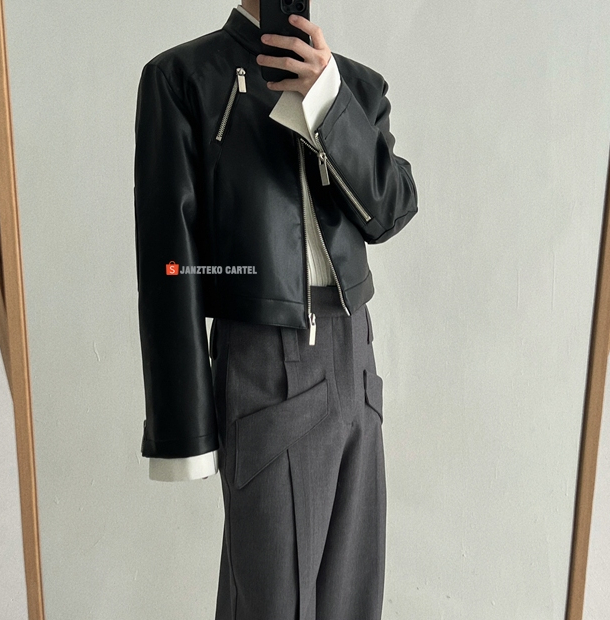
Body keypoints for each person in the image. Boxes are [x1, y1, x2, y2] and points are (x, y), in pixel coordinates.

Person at [133, 1, 418, 619]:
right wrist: (183, 428)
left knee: (353, 599)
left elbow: (391, 210)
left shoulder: (356, 87)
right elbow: (168, 263)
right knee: (269, 603)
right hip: (264, 358)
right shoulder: (183, 79)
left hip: (355, 360)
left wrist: (326, 100)